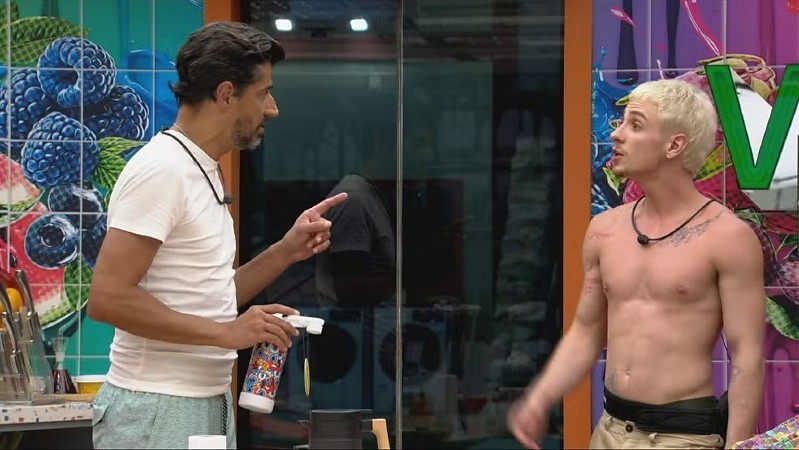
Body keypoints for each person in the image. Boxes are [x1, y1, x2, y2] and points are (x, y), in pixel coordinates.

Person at [87, 22, 347, 449]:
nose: (272, 109)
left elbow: (207, 295)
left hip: (205, 401)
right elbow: (108, 298)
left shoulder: (202, 168)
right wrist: (229, 333)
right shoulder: (163, 170)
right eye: (263, 93)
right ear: (226, 94)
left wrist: (285, 251)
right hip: (157, 409)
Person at [507, 78, 765, 449]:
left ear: (674, 145)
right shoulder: (604, 230)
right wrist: (540, 398)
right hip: (609, 430)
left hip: (682, 436)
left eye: (636, 125)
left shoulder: (727, 237)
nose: (617, 134)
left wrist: (738, 446)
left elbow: (747, 357)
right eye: (622, 122)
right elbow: (586, 331)